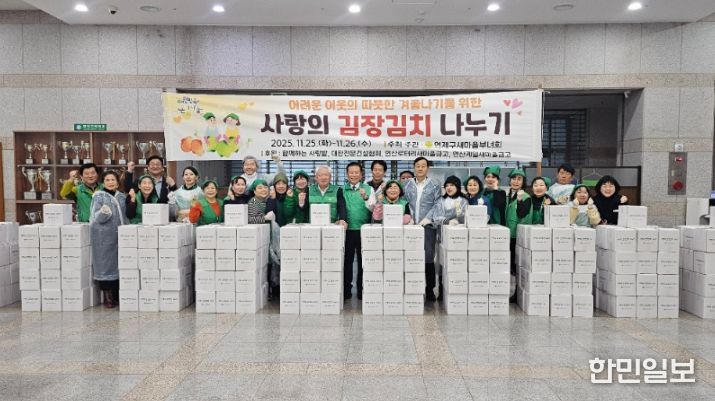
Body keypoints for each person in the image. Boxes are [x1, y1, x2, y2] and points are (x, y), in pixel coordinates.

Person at [404, 157, 442, 302]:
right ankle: (413, 287)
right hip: (410, 226)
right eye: (418, 166)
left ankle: (429, 289)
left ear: (428, 168)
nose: (420, 168)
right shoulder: (407, 184)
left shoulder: (435, 184)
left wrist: (428, 218)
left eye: (423, 166)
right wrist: (408, 218)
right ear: (414, 167)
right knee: (411, 256)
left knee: (428, 256)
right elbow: (404, 202)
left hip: (428, 226)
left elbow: (438, 203)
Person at [89, 170, 126, 308]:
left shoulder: (121, 196)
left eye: (113, 180)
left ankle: (117, 295)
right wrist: (104, 212)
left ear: (117, 182)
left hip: (119, 237)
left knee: (118, 265)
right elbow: (95, 218)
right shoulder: (98, 196)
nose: (110, 182)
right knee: (105, 266)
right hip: (103, 237)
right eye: (107, 180)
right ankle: (107, 297)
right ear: (103, 183)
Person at [342, 162, 376, 300]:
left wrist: (366, 198)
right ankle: (346, 289)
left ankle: (362, 289)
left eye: (357, 172)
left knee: (363, 262)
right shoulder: (342, 190)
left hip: (364, 230)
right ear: (347, 174)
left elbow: (374, 209)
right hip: (347, 230)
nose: (354, 175)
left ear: (361, 174)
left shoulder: (368, 189)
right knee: (347, 261)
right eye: (351, 172)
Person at [505, 168, 532, 303]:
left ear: (523, 182)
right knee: (510, 265)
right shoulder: (508, 195)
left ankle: (517, 294)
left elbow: (522, 213)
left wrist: (520, 199)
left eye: (519, 179)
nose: (516, 181)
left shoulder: (526, 197)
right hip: (508, 234)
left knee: (518, 265)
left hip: (518, 236)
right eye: (513, 178)